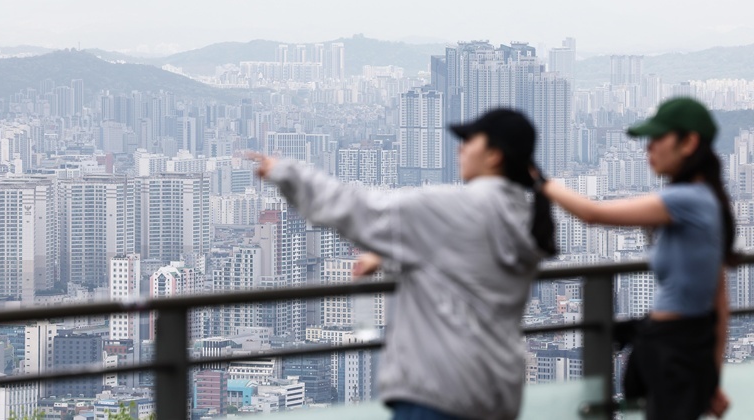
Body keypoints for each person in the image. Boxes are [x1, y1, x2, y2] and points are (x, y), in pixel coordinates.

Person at [249, 108, 556, 420]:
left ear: (494, 156)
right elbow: (459, 264)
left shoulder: (455, 207)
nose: (460, 148)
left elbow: (359, 209)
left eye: (469, 140)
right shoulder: (524, 214)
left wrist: (286, 171)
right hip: (497, 391)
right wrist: (385, 259)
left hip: (438, 391)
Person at [532, 97, 731, 419]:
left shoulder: (685, 200)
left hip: (675, 352)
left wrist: (542, 182)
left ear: (689, 142)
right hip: (682, 348)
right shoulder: (707, 199)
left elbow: (592, 213)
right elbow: (720, 299)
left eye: (657, 139)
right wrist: (713, 377)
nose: (648, 149)